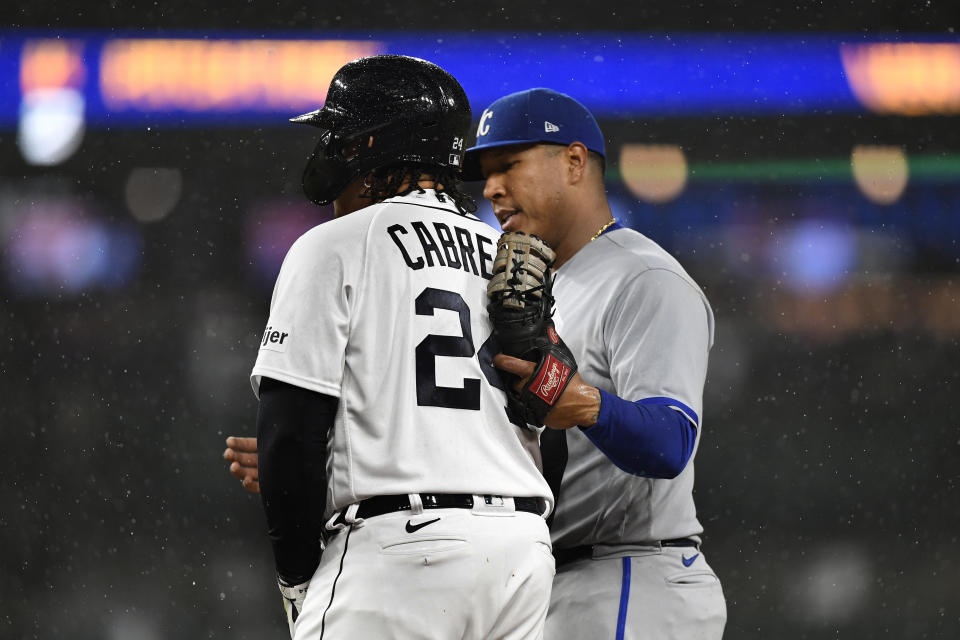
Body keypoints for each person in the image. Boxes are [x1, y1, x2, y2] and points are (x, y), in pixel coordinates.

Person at [228, 86, 727, 639]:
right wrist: (329, 460)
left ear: (575, 160)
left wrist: (584, 403)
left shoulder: (643, 279)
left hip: (629, 571)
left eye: (509, 166)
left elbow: (670, 443)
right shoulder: (505, 273)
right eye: (483, 172)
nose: (491, 189)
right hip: (527, 570)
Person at [247, 57, 554, 639]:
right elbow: (551, 410)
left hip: (400, 553)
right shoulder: (503, 253)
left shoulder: (332, 245)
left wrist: (295, 577)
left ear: (367, 144)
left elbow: (290, 431)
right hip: (519, 555)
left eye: (337, 134)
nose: (328, 152)